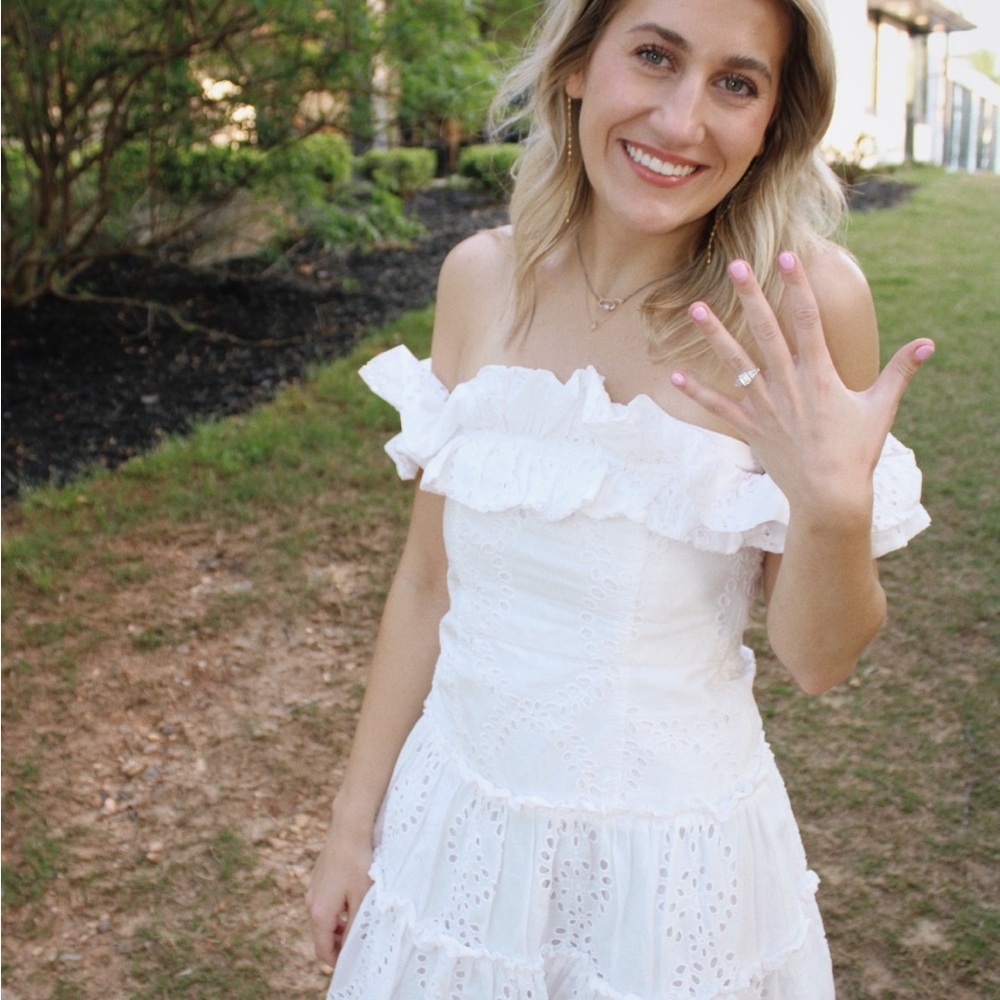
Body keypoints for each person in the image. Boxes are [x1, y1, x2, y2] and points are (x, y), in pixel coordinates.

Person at [307, 0, 933, 995]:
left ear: (773, 118)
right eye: (654, 56)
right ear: (575, 66)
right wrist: (353, 823)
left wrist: (832, 509)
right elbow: (429, 583)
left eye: (737, 82)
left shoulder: (800, 307)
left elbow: (818, 661)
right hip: (455, 830)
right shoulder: (478, 279)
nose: (683, 122)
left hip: (671, 873)